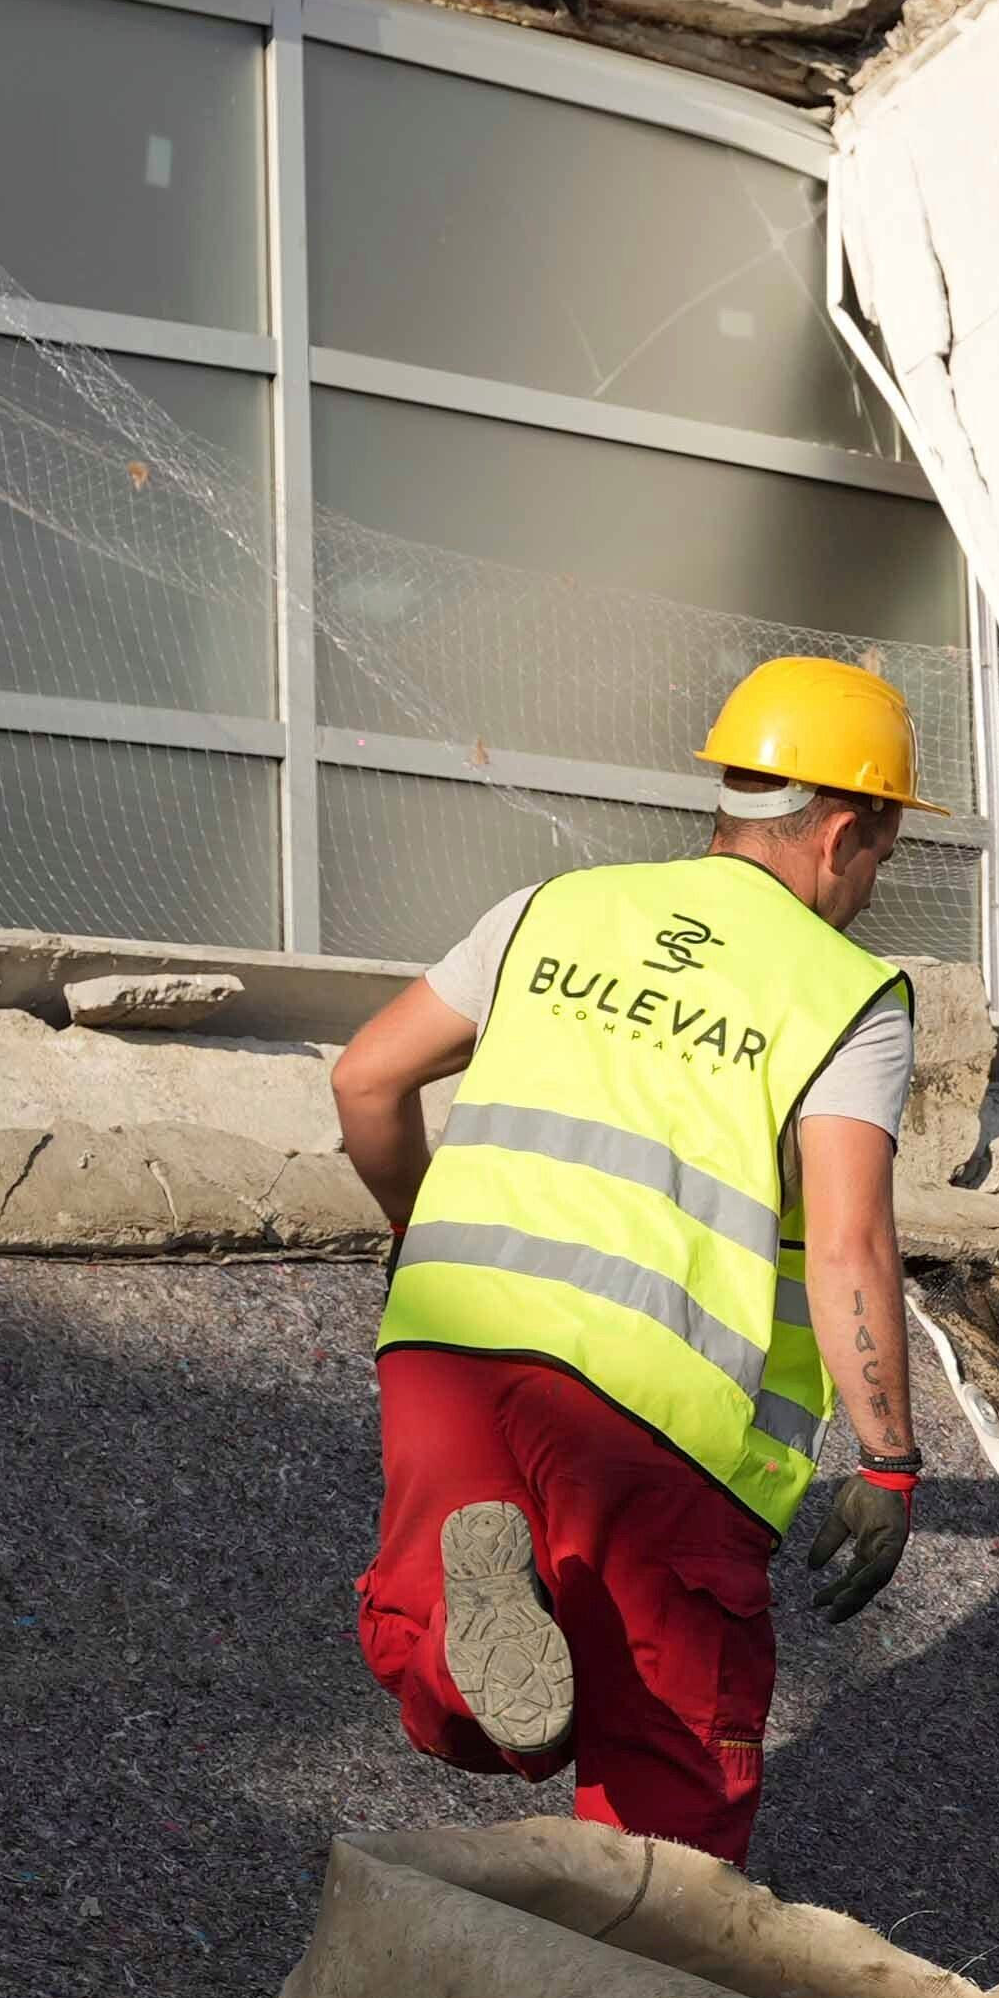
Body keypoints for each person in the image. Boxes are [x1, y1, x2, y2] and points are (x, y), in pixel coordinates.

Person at [332, 651, 943, 1864]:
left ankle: (470, 1640)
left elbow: (364, 1076)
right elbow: (850, 1243)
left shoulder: (551, 908)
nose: (874, 885)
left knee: (440, 1660)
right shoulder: (845, 991)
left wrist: (423, 1236)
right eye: (883, 852)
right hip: (656, 1417)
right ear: (842, 830)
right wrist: (888, 1463)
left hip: (449, 1353)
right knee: (669, 1780)